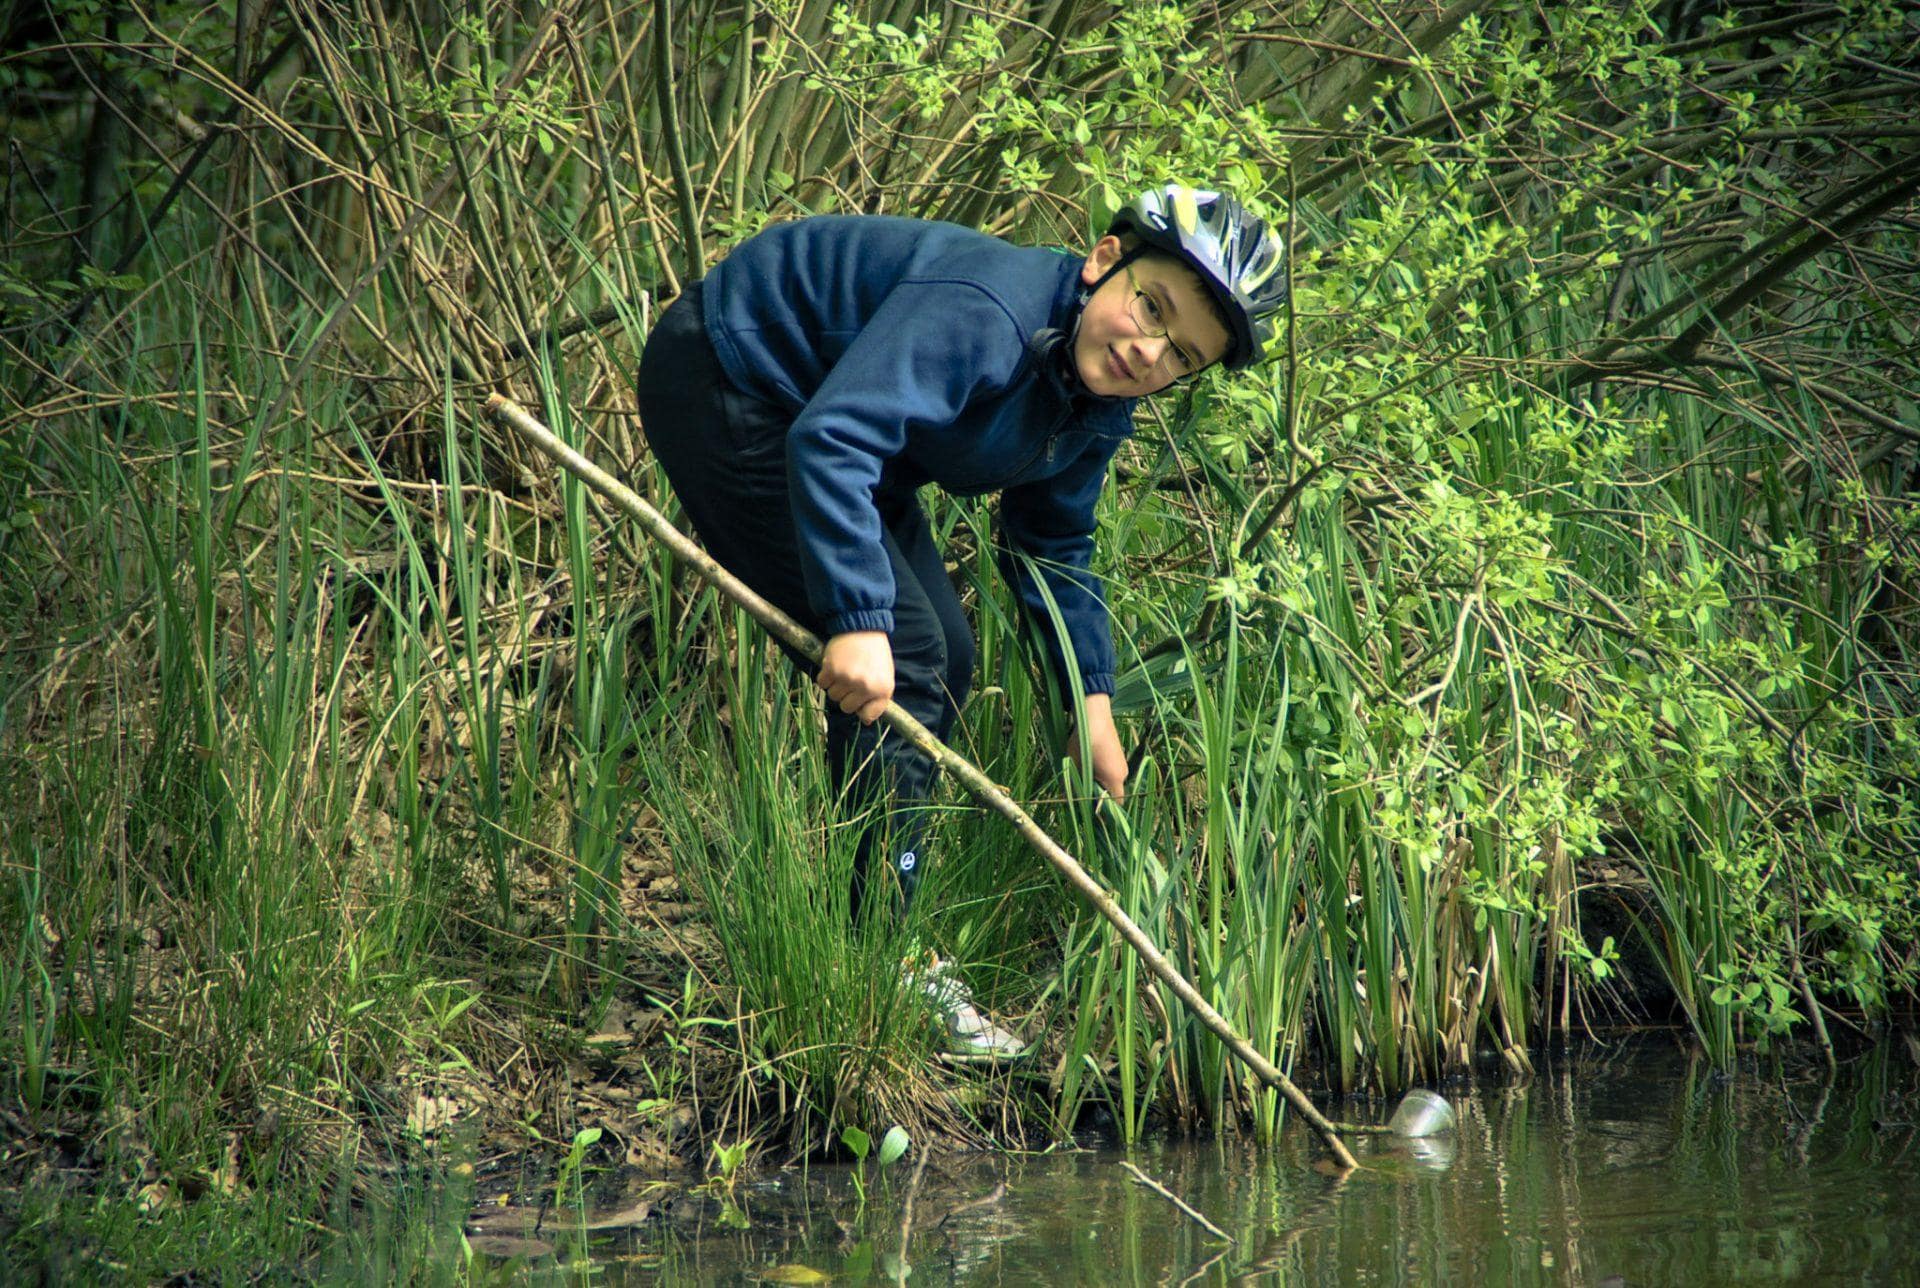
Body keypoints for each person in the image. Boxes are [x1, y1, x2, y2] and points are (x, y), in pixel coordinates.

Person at [635, 184, 1288, 1059]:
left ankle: (874, 942)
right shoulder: (989, 310)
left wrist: (1089, 700)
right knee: (906, 654)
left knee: (944, 657)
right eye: (1152, 308)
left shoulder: (1095, 401)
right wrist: (857, 618)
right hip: (737, 378)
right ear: (1104, 260)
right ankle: (881, 962)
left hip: (839, 430)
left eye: (1182, 355)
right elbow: (833, 438)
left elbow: (1051, 539)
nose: (1149, 351)